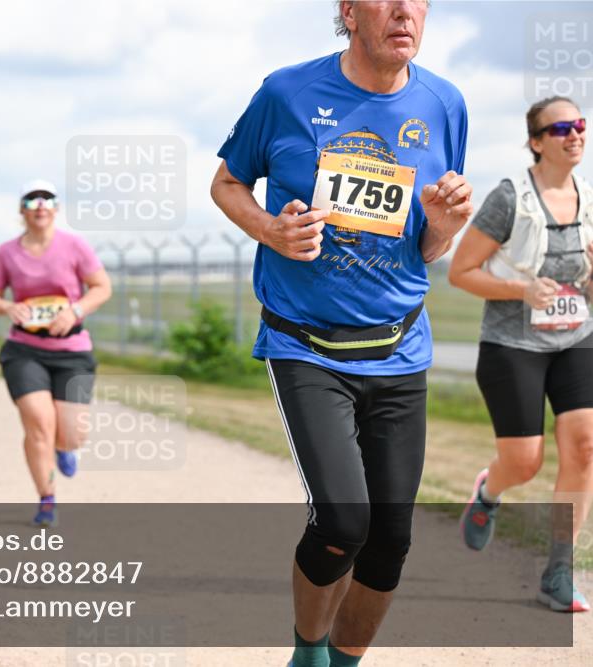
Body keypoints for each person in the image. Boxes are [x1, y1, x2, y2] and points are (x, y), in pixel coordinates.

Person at [210, 1, 472, 664]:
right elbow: (227, 182)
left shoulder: (445, 103)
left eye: (419, 0)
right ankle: (307, 650)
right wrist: (270, 229)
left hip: (399, 345)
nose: (405, 11)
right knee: (342, 524)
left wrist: (443, 223)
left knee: (390, 539)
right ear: (350, 12)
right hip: (305, 343)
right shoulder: (286, 92)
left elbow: (430, 246)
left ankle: (344, 661)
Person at [449, 96, 591, 613]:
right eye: (561, 128)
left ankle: (558, 572)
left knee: (584, 447)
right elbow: (461, 272)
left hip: (577, 339)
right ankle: (489, 492)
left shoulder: (591, 200)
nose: (575, 134)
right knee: (524, 463)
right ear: (536, 141)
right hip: (512, 345)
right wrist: (521, 292)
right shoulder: (510, 198)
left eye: (580, 124)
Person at [0, 180, 111, 526]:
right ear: (22, 210)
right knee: (39, 423)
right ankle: (47, 499)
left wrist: (76, 311)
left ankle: (66, 447)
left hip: (72, 351)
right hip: (24, 350)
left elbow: (102, 287)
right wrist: (8, 306)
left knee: (71, 433)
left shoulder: (74, 246)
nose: (40, 205)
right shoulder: (6, 252)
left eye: (47, 199)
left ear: (55, 209)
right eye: (32, 199)